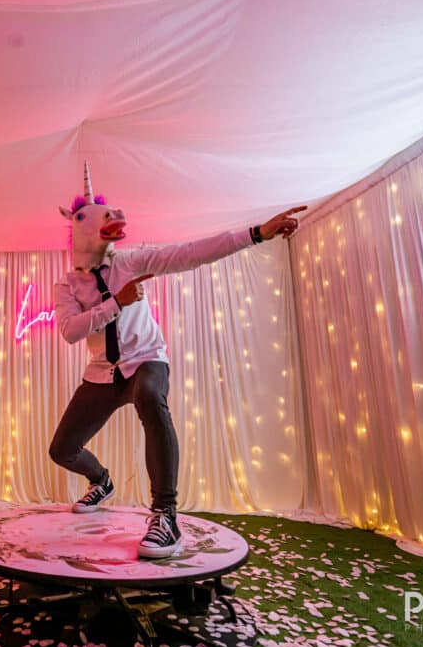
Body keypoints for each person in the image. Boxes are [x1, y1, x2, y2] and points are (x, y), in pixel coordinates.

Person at [49, 162, 304, 558]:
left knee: (151, 396)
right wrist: (117, 303)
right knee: (62, 450)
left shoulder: (130, 262)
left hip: (146, 359)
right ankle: (101, 481)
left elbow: (189, 254)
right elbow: (70, 332)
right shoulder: (65, 285)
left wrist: (257, 234)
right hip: (103, 373)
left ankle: (165, 516)